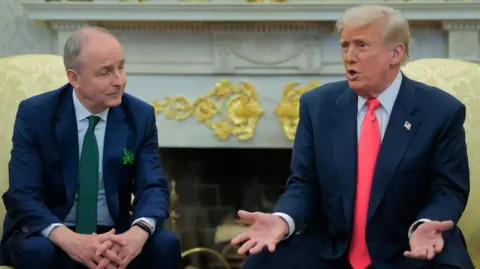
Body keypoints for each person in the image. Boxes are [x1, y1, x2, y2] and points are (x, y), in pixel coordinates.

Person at [231, 5, 474, 269]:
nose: (350, 56)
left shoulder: (440, 111)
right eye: (345, 46)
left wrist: (426, 224)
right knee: (262, 263)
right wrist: (283, 219)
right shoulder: (317, 105)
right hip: (332, 246)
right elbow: (304, 183)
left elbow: (448, 189)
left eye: (362, 46)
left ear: (395, 53)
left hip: (407, 243)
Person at [0, 26, 181, 269]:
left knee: (165, 245)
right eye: (105, 72)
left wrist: (138, 232)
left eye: (121, 67)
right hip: (51, 232)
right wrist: (69, 239)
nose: (119, 81)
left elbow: (153, 186)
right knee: (37, 252)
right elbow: (22, 193)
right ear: (74, 77)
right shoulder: (36, 114)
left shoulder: (139, 115)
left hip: (114, 232)